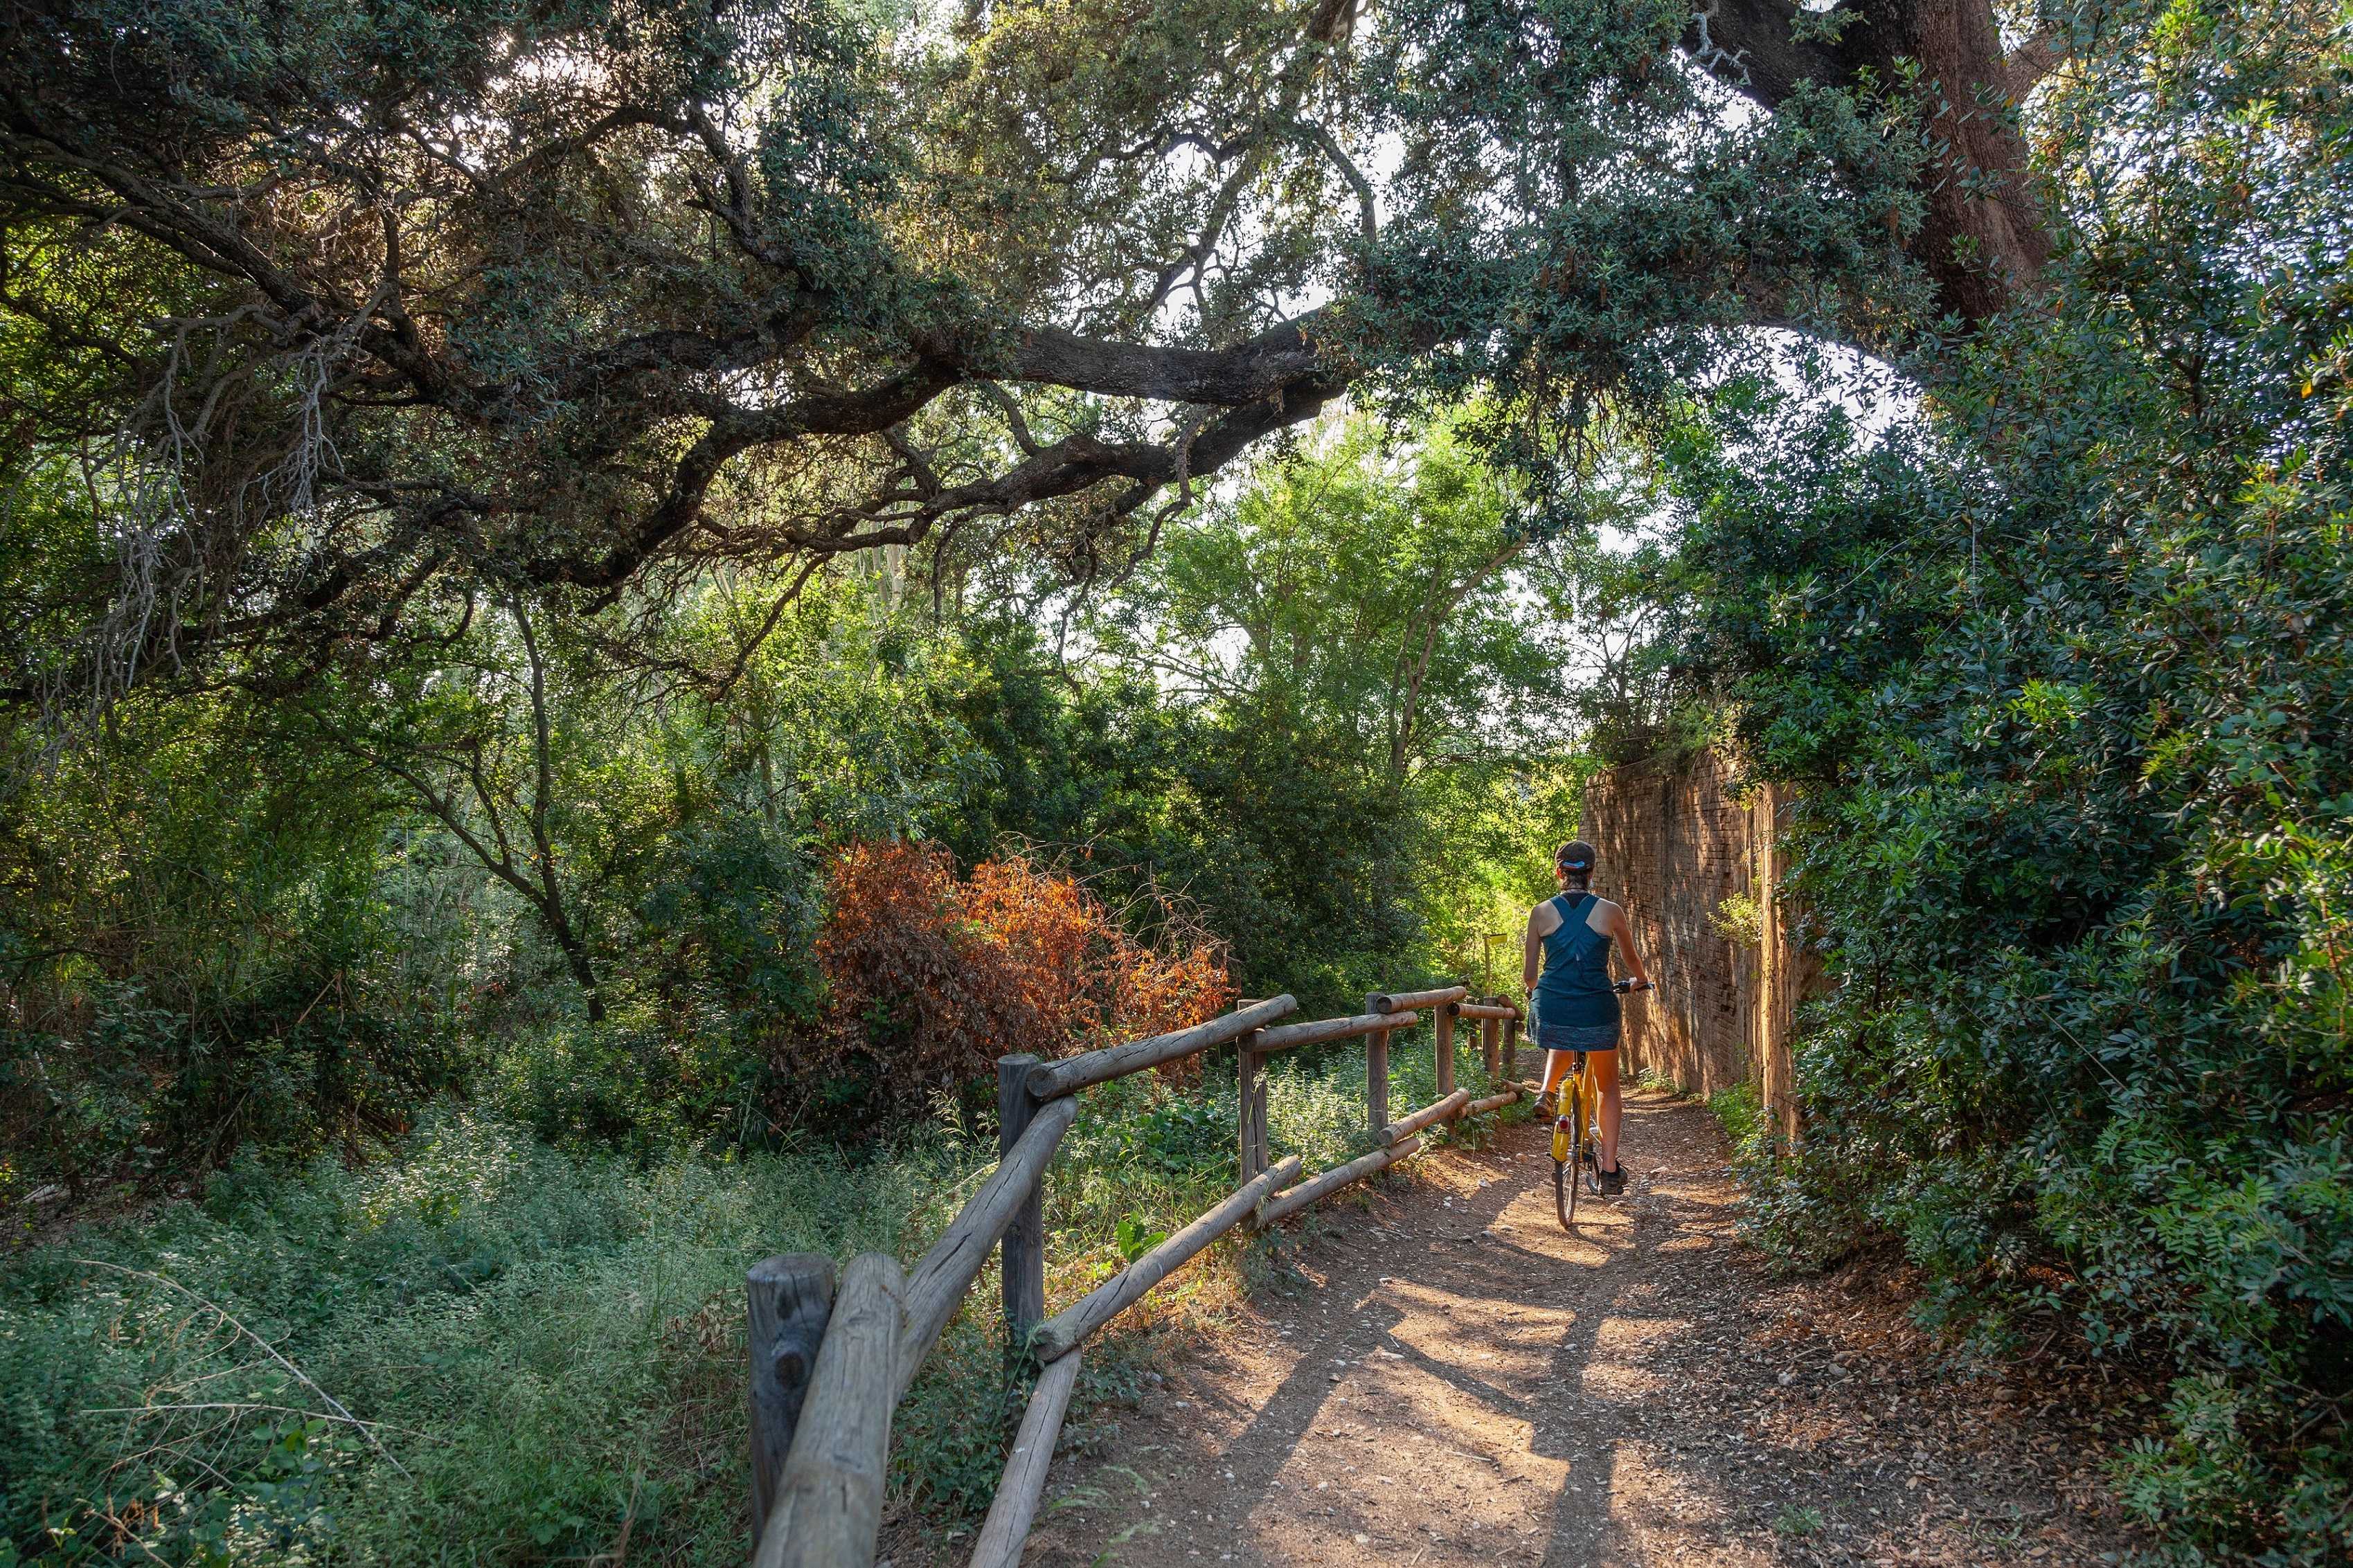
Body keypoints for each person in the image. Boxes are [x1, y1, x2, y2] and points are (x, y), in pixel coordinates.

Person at [1523, 839, 1651, 1194]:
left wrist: (1538, 994)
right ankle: (1609, 1170)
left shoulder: (1540, 913)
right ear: (1592, 873)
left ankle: (1548, 1091)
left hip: (1551, 1007)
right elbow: (1633, 963)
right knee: (1609, 1087)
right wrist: (1639, 982)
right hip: (1597, 1006)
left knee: (1562, 1028)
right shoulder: (1611, 912)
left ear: (1559, 872)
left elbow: (1530, 975)